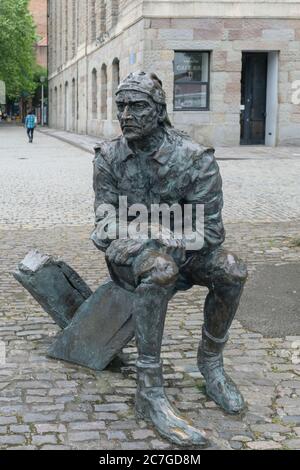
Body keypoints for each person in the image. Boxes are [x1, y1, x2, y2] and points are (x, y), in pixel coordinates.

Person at [91, 71, 248, 447]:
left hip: (187, 250)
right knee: (159, 269)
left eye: (137, 106)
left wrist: (151, 233)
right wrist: (139, 236)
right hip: (137, 257)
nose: (126, 114)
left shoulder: (194, 159)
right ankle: (149, 390)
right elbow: (104, 220)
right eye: (121, 106)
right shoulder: (109, 157)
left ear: (160, 111)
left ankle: (210, 363)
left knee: (231, 269)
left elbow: (209, 232)